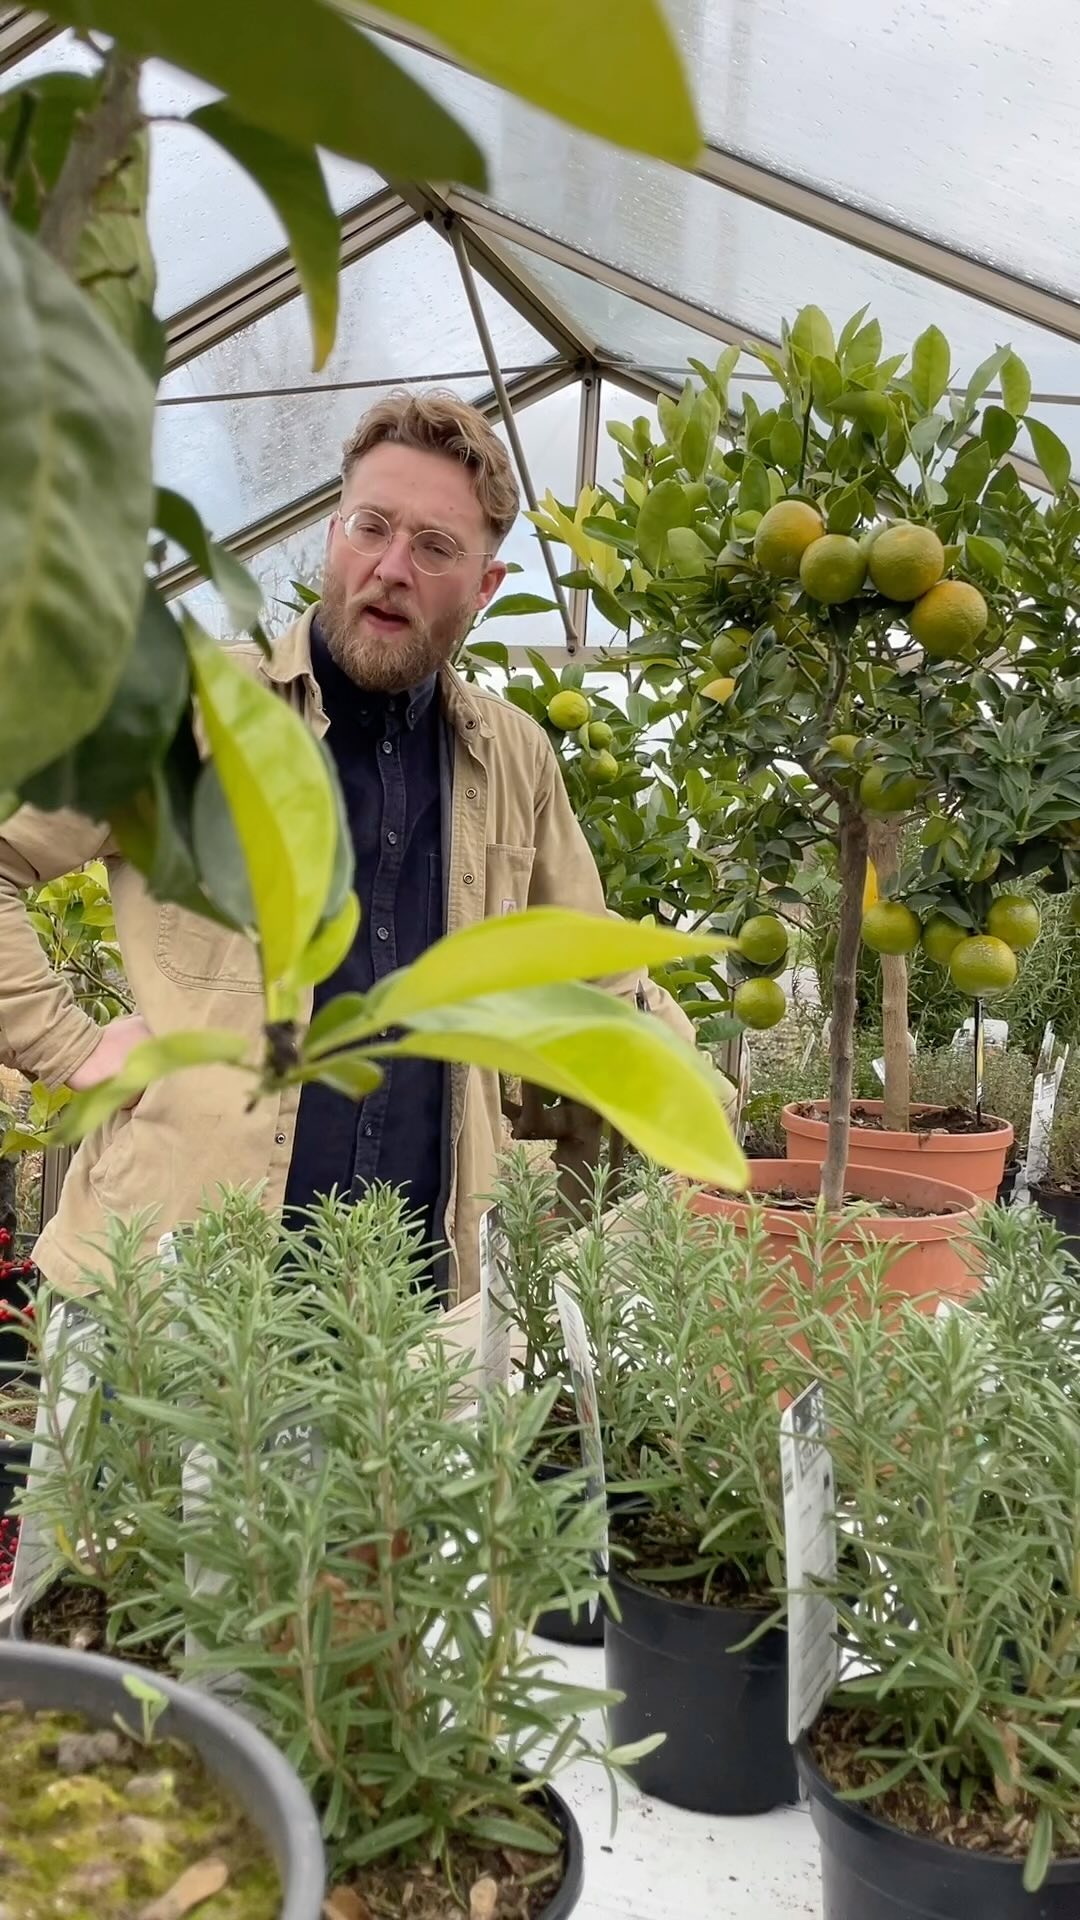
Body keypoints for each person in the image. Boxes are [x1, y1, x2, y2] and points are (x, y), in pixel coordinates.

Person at [0, 390, 732, 1304]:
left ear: (485, 586)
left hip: (416, 1311)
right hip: (172, 1291)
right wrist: (70, 1046)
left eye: (435, 547)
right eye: (370, 526)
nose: (391, 567)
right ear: (332, 534)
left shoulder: (513, 757)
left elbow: (591, 966)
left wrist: (703, 1107)